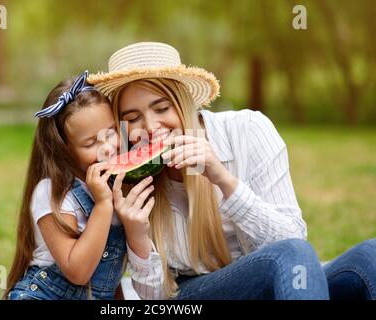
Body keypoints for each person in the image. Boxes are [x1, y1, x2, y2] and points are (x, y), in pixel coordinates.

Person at [88, 42, 376, 300]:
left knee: (370, 256)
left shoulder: (248, 129)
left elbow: (293, 240)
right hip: (194, 293)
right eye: (133, 118)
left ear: (184, 101)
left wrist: (224, 181)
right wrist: (137, 235)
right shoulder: (127, 179)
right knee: (290, 255)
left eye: (162, 108)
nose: (151, 127)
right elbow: (155, 300)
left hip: (280, 281)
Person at [4, 71, 128, 300]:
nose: (108, 148)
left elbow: (110, 276)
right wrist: (102, 205)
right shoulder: (53, 192)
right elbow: (78, 272)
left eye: (111, 132)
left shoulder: (115, 183)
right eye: (90, 143)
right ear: (65, 150)